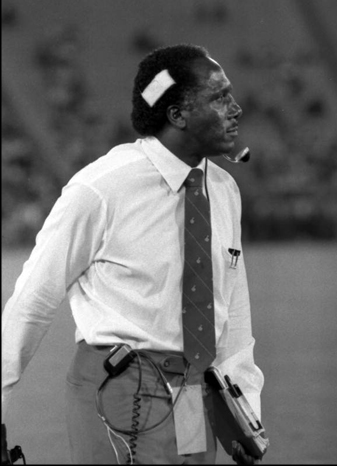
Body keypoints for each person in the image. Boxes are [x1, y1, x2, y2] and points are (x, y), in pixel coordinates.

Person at [2, 44, 265, 465]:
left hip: (196, 391)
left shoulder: (224, 190)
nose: (235, 108)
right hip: (120, 384)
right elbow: (32, 302)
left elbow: (232, 311)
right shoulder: (102, 189)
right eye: (218, 97)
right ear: (177, 114)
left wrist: (245, 402)